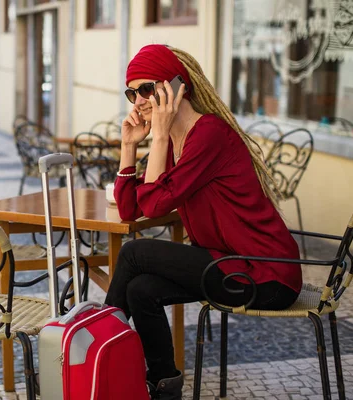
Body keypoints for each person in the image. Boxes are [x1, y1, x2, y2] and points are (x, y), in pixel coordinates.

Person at [105, 44, 301, 400]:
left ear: (179, 86)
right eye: (132, 92)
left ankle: (93, 351)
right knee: (140, 289)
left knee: (134, 254)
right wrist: (129, 147)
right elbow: (130, 209)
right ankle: (164, 385)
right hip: (227, 263)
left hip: (268, 272)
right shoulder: (178, 141)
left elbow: (155, 201)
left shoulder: (208, 134)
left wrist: (160, 135)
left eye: (147, 89)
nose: (139, 101)